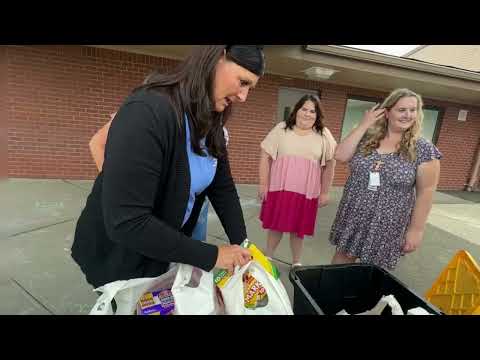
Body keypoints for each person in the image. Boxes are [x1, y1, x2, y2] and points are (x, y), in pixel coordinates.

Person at [71, 45, 266, 288]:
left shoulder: (209, 118)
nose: (244, 97)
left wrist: (244, 246)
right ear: (218, 57)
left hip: (162, 251)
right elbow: (127, 222)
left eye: (250, 88)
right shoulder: (148, 111)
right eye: (243, 82)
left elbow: (222, 188)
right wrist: (214, 255)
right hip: (120, 258)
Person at [329, 88, 442, 270]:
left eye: (413, 110)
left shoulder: (423, 149)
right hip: (354, 213)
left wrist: (416, 230)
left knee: (372, 271)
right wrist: (364, 124)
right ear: (387, 112)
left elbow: (426, 193)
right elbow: (341, 155)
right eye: (401, 109)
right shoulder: (366, 138)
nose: (408, 115)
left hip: (388, 223)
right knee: (341, 260)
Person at [90, 114, 230, 243]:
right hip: (150, 214)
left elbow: (222, 184)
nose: (242, 96)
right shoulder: (146, 113)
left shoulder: (216, 127)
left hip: (192, 205)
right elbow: (97, 144)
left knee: (190, 259)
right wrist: (119, 187)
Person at [258, 95, 337, 268]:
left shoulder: (323, 134)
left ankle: (296, 262)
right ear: (297, 110)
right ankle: (268, 257)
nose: (307, 114)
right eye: (304, 109)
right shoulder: (282, 129)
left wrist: (325, 192)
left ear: (317, 115)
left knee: (298, 230)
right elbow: (265, 155)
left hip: (306, 191)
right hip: (280, 187)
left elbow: (331, 163)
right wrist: (263, 184)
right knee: (276, 225)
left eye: (312, 111)